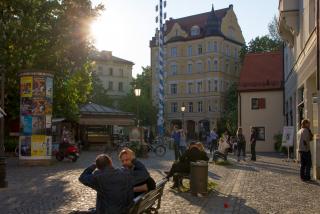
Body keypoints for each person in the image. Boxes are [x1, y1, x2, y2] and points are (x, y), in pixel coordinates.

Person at [79, 154, 148, 214]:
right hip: (126, 210)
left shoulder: (97, 178)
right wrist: (133, 159)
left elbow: (82, 178)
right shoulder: (125, 174)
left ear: (98, 167)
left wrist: (93, 165)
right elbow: (144, 174)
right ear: (111, 163)